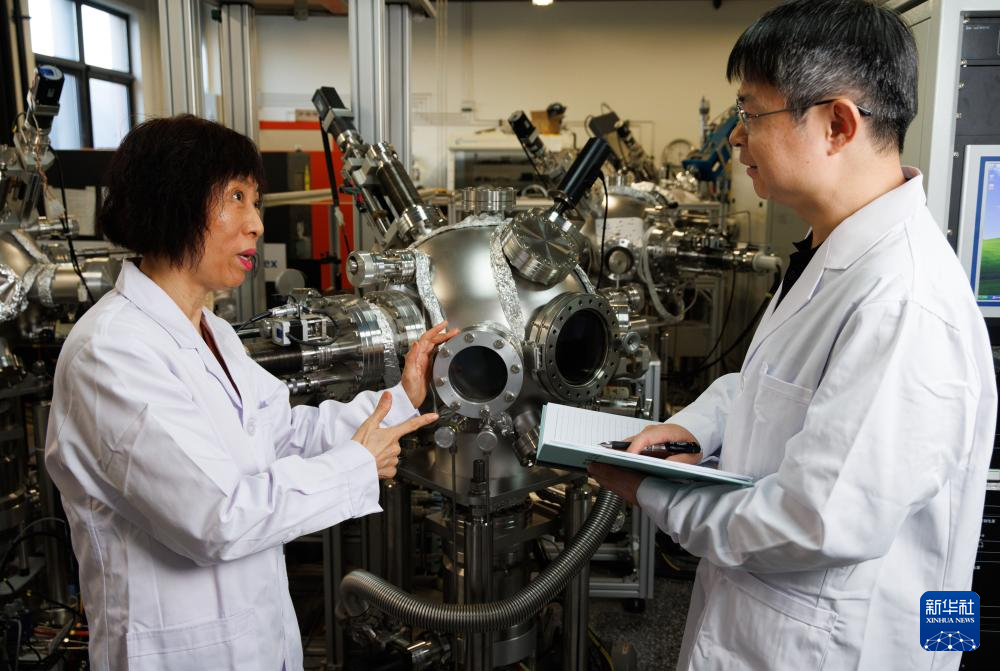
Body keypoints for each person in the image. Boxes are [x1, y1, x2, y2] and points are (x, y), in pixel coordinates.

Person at [589, 1, 996, 669]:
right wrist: (693, 428)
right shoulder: (834, 249)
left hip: (835, 645)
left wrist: (655, 492)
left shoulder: (904, 301)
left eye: (750, 113)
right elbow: (771, 386)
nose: (734, 138)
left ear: (837, 124)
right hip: (770, 618)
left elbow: (815, 519)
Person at [43, 115, 457, 670]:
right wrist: (356, 466)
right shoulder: (111, 353)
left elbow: (280, 435)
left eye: (255, 202)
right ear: (172, 200)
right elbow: (216, 518)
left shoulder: (212, 332)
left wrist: (400, 397)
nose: (256, 224)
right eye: (236, 197)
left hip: (258, 638)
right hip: (176, 654)